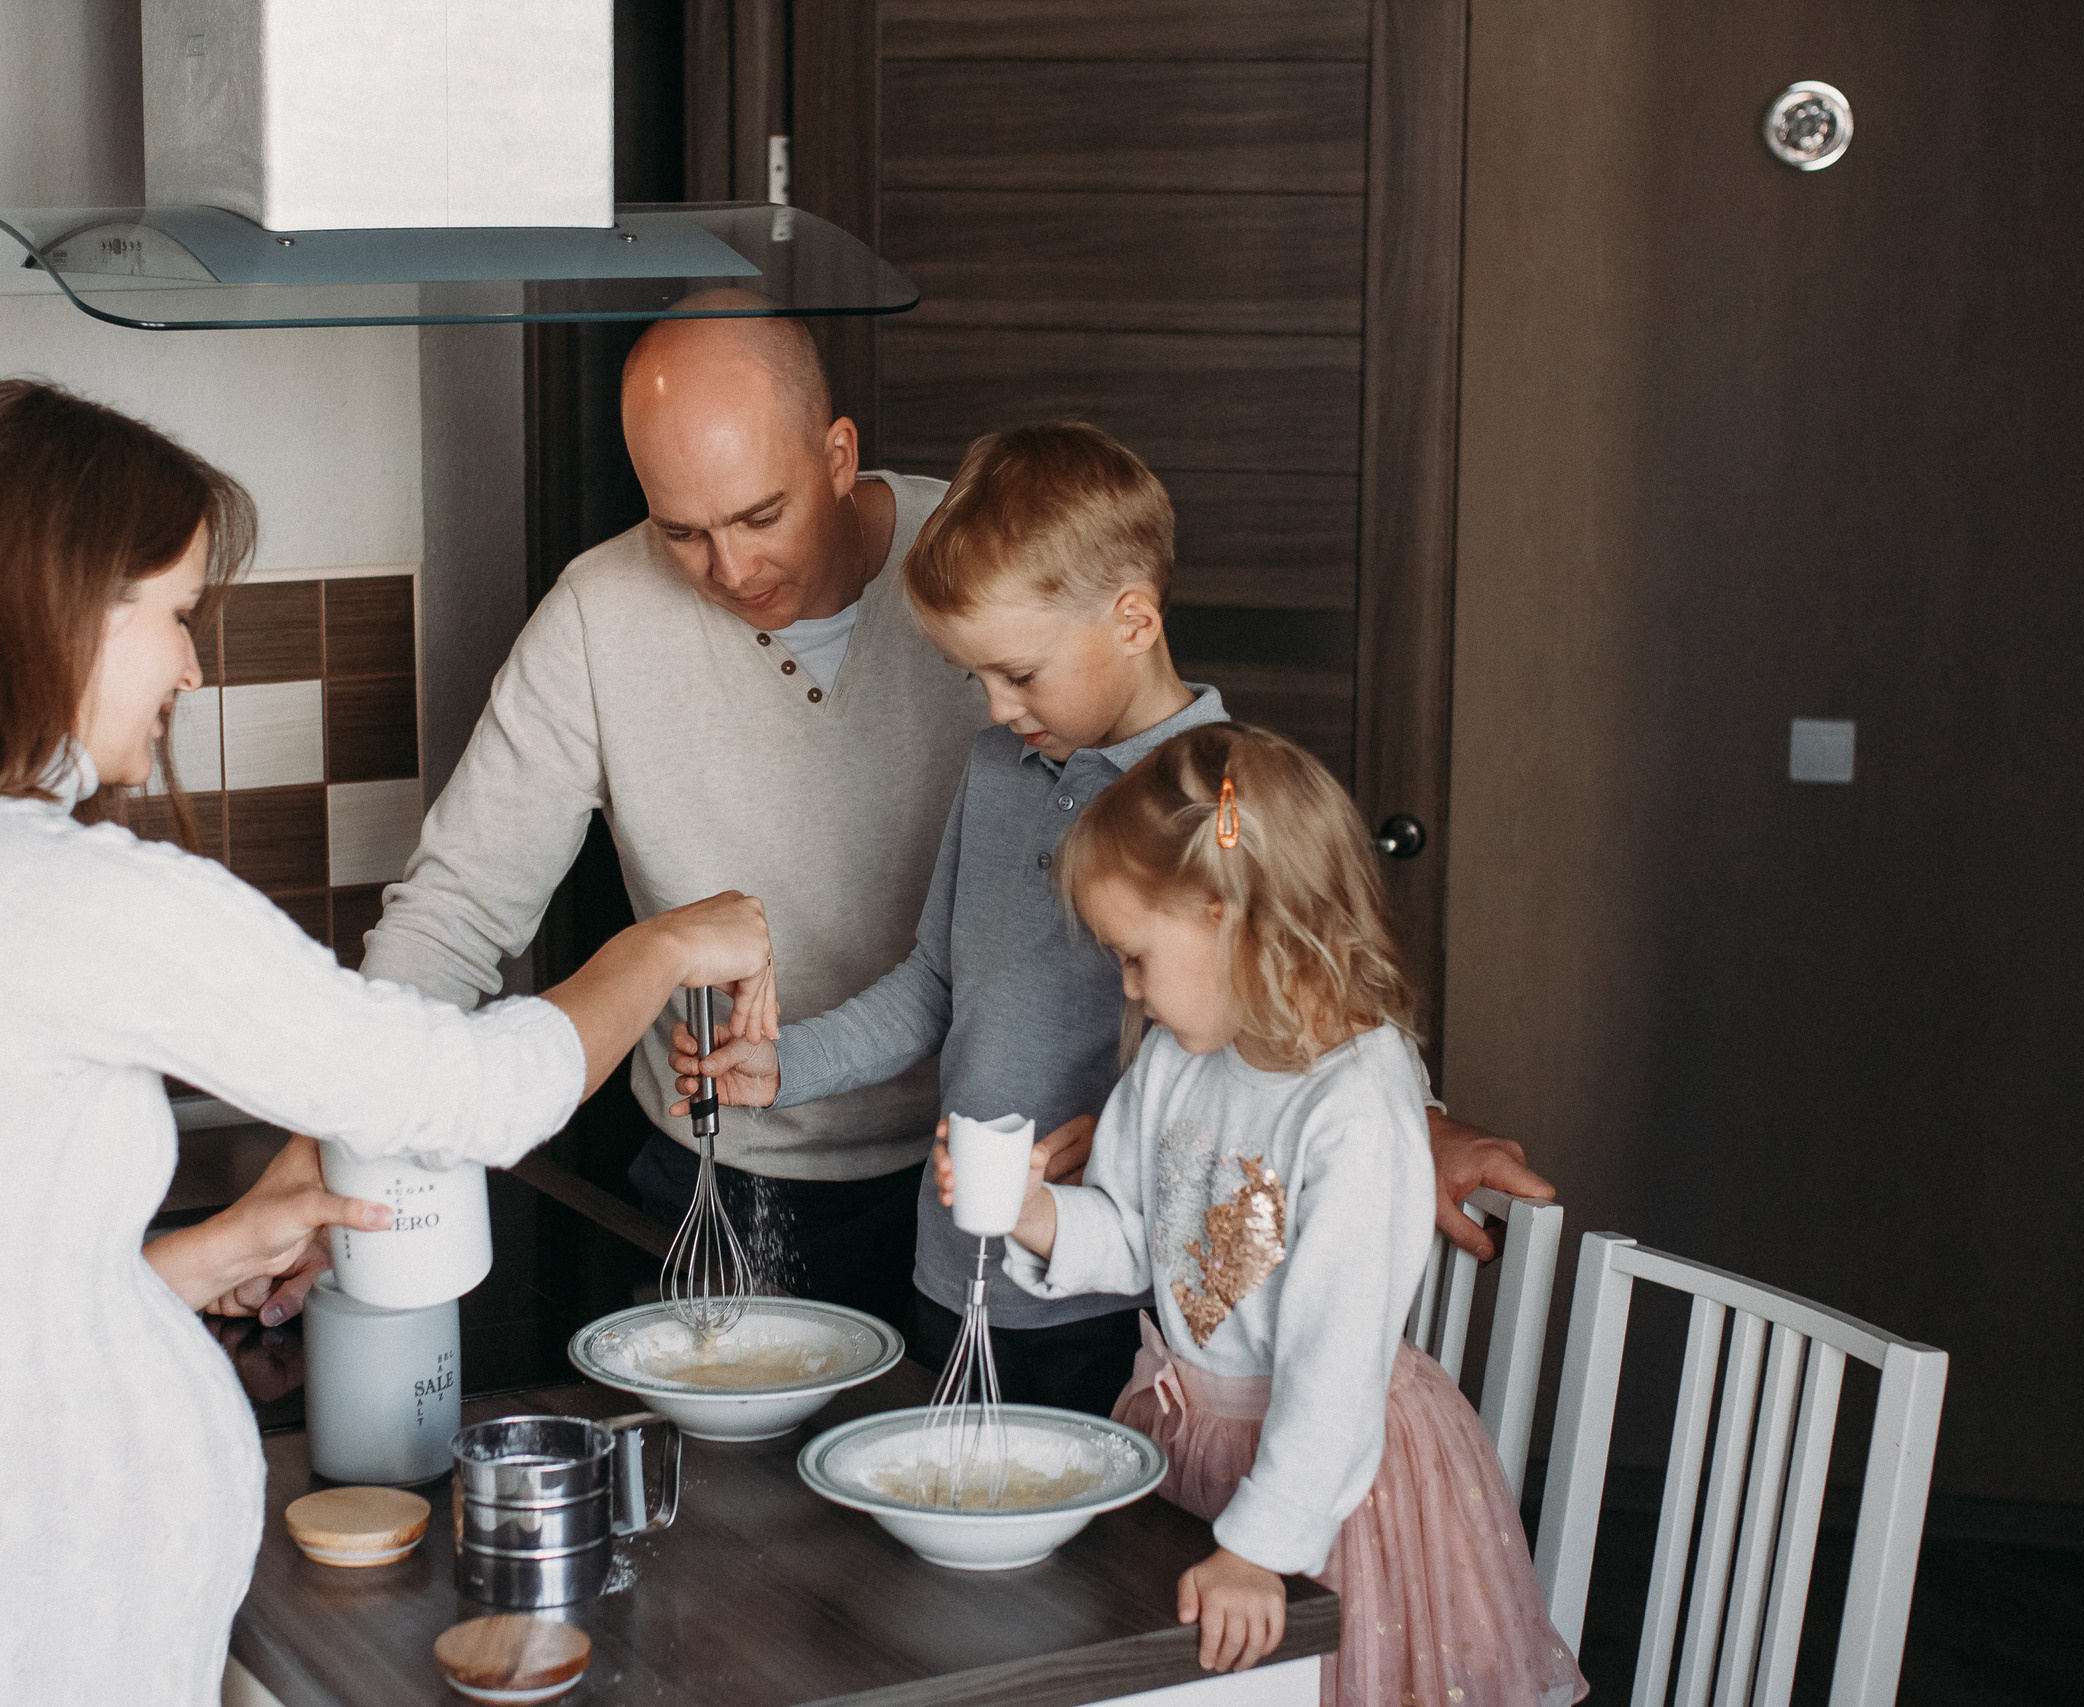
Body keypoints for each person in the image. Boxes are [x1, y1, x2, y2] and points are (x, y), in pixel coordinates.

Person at [0, 380, 776, 1707]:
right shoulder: (38, 889)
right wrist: (663, 947)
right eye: (174, 613)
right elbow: (468, 1093)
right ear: (58, 610)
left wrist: (185, 1266)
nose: (191, 665)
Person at [668, 423, 1460, 1415]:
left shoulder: (1219, 806)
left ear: (1133, 620)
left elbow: (1307, 1014)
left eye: (1022, 674)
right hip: (952, 1269)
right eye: (976, 677)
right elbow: (934, 989)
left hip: (1109, 1290)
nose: (998, 708)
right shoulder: (995, 773)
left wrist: (1413, 1120)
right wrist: (790, 1064)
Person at [361, 308, 988, 1326]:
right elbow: (454, 914)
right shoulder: (598, 615)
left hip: (979, 1165)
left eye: (760, 516)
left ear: (838, 456)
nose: (732, 571)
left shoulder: (982, 563)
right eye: (682, 533)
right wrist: (360, 1108)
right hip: (721, 1177)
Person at [938, 722, 1584, 1704]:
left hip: (1327, 1480)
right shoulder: (1175, 1059)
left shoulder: (1354, 1108)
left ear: (1229, 918)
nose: (1128, 988)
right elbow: (1135, 1236)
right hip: (1197, 1444)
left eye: (1136, 957)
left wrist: (1257, 1550)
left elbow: (1332, 1367)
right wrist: (1032, 1214)